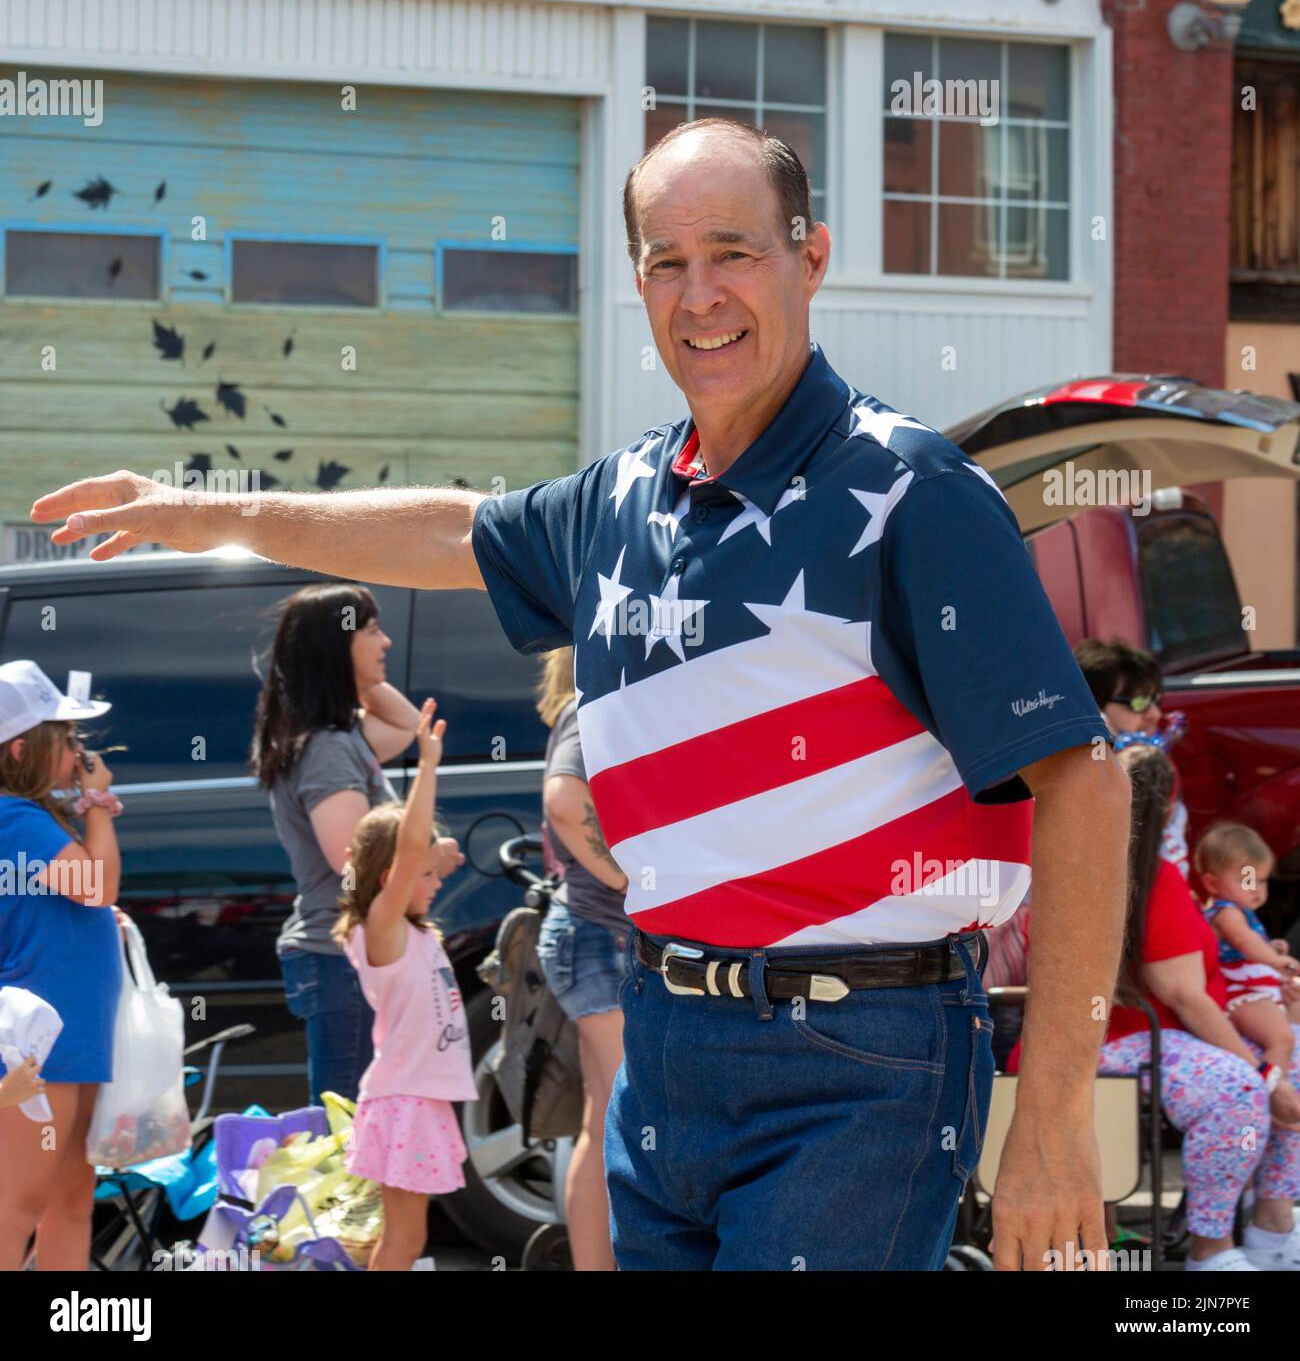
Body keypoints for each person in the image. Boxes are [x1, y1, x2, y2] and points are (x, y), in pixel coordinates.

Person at [33, 116, 1132, 1272]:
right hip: (662, 1036)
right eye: (666, 262)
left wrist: (1053, 1115)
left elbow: (1083, 780)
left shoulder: (912, 491)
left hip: (862, 1055)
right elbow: (452, 524)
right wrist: (212, 512)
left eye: (733, 251)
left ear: (810, 258)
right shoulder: (621, 500)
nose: (698, 294)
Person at [1097, 745, 1300, 1271]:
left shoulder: (1164, 873)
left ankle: (1272, 1228)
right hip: (1121, 1037)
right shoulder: (1146, 873)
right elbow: (1184, 995)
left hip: (1161, 1033)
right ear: (1170, 810)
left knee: (1297, 1063)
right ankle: (1210, 1251)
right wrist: (1264, 1076)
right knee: (1237, 1089)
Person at [252, 583, 449, 1106]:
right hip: (340, 959)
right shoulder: (329, 750)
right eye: (370, 631)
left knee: (356, 1127)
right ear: (335, 646)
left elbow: (410, 726)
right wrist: (429, 856)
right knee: (349, 1135)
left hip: (346, 957)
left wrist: (354, 678)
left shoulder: (337, 738)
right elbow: (356, 866)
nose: (385, 642)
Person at [333, 698, 476, 1272]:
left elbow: (420, 851)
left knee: (400, 1238)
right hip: (404, 1103)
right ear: (392, 879)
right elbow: (411, 846)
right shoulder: (382, 932)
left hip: (418, 1101)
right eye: (424, 875)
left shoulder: (412, 931)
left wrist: (434, 855)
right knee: (404, 1241)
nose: (436, 881)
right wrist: (428, 764)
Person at [0, 661, 122, 1271]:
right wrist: (97, 806)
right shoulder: (15, 818)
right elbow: (95, 886)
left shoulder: (26, 819)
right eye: (67, 740)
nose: (78, 753)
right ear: (23, 748)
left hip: (65, 1037)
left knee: (71, 1202)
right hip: (37, 1043)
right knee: (15, 1210)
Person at [535, 646, 630, 1271]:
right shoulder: (591, 705)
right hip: (602, 934)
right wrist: (632, 882)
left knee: (604, 1124)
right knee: (628, 1114)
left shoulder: (582, 706)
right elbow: (565, 802)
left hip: (587, 935)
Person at [1075, 638, 1189, 876]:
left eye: (1156, 700)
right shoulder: (1083, 772)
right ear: (1095, 708)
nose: (1155, 714)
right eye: (1139, 703)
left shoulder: (1148, 760)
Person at [1196, 822, 1298, 1072]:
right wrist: (1274, 960)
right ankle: (1269, 1093)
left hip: (1262, 987)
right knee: (1281, 1040)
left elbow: (1250, 944)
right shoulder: (1226, 913)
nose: (1258, 890)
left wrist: (1271, 947)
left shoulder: (1242, 912)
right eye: (1248, 880)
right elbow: (1243, 940)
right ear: (1212, 884)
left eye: (1262, 881)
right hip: (1242, 992)